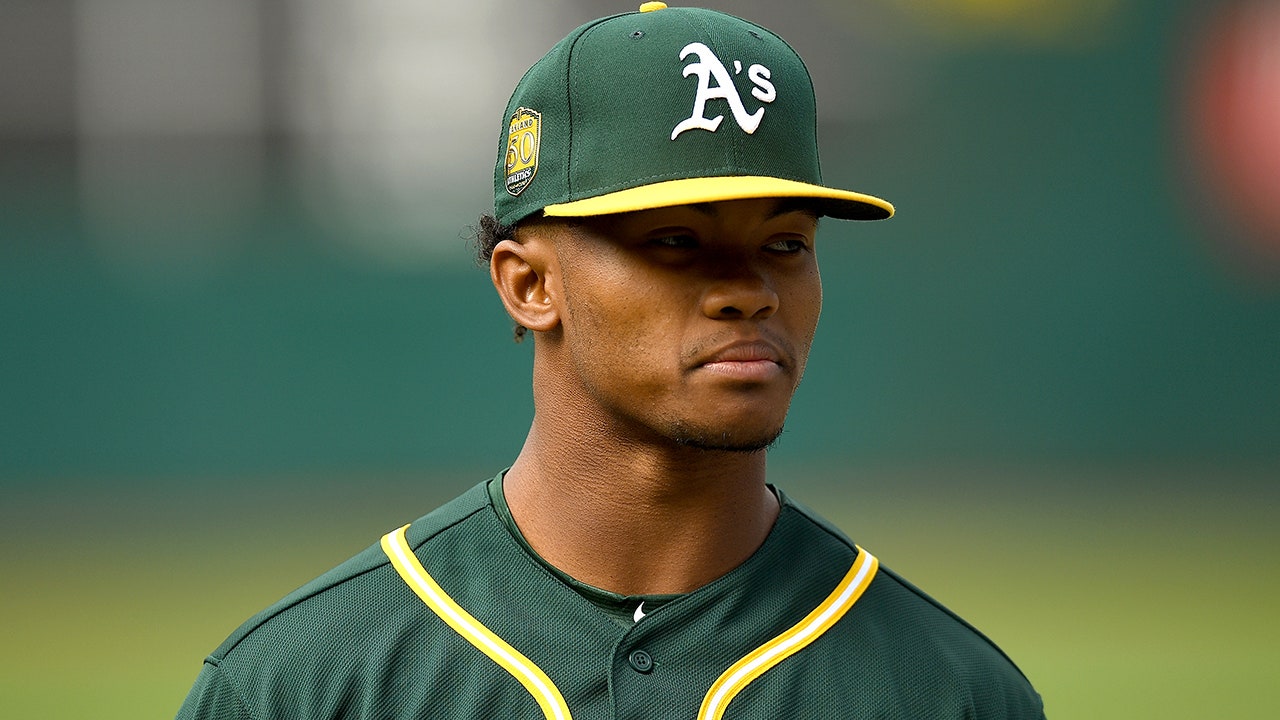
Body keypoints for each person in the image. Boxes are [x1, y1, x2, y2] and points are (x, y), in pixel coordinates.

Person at [177, 4, 1046, 718]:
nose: (748, 291)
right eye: (674, 240)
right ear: (529, 285)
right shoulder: (296, 689)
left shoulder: (954, 695)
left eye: (785, 243)